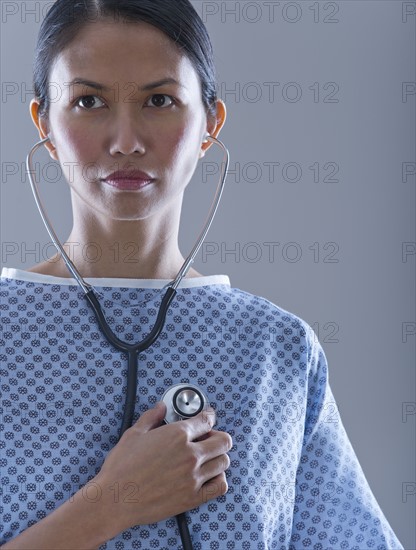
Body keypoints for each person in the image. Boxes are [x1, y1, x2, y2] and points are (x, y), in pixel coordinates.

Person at [0, 1, 404, 548]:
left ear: (210, 123)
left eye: (159, 100)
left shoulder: (276, 350)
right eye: (88, 101)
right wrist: (116, 501)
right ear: (45, 124)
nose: (125, 140)